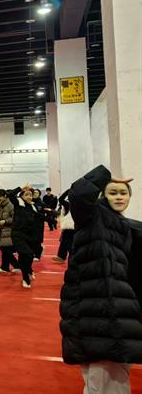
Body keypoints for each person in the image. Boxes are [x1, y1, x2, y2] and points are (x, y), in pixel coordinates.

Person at [60, 165, 142, 393]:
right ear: (102, 196)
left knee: (104, 381)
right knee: (106, 381)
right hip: (95, 311)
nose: (119, 197)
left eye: (123, 193)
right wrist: (102, 175)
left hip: (114, 311)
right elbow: (78, 194)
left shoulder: (127, 226)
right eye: (112, 192)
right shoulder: (92, 216)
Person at [8, 185, 46, 288]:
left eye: (30, 195)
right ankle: (25, 277)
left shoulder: (31, 207)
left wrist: (52, 218)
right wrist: (21, 188)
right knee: (27, 254)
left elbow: (39, 216)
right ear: (22, 196)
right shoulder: (18, 204)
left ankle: (28, 270)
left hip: (28, 236)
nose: (29, 197)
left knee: (25, 256)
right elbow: (10, 194)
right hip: (17, 234)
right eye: (26, 195)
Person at [0, 189, 20, 273]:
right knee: (4, 249)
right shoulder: (2, 205)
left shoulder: (10, 205)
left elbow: (15, 218)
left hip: (9, 230)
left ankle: (17, 265)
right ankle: (4, 267)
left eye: (0, 197)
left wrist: (5, 221)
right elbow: (4, 216)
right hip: (4, 230)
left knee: (5, 249)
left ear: (5, 196)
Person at [52, 189, 75, 263]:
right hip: (68, 226)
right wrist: (68, 190)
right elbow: (61, 199)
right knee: (64, 241)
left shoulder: (81, 204)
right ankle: (61, 256)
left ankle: (70, 257)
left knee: (69, 242)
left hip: (75, 226)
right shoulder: (68, 204)